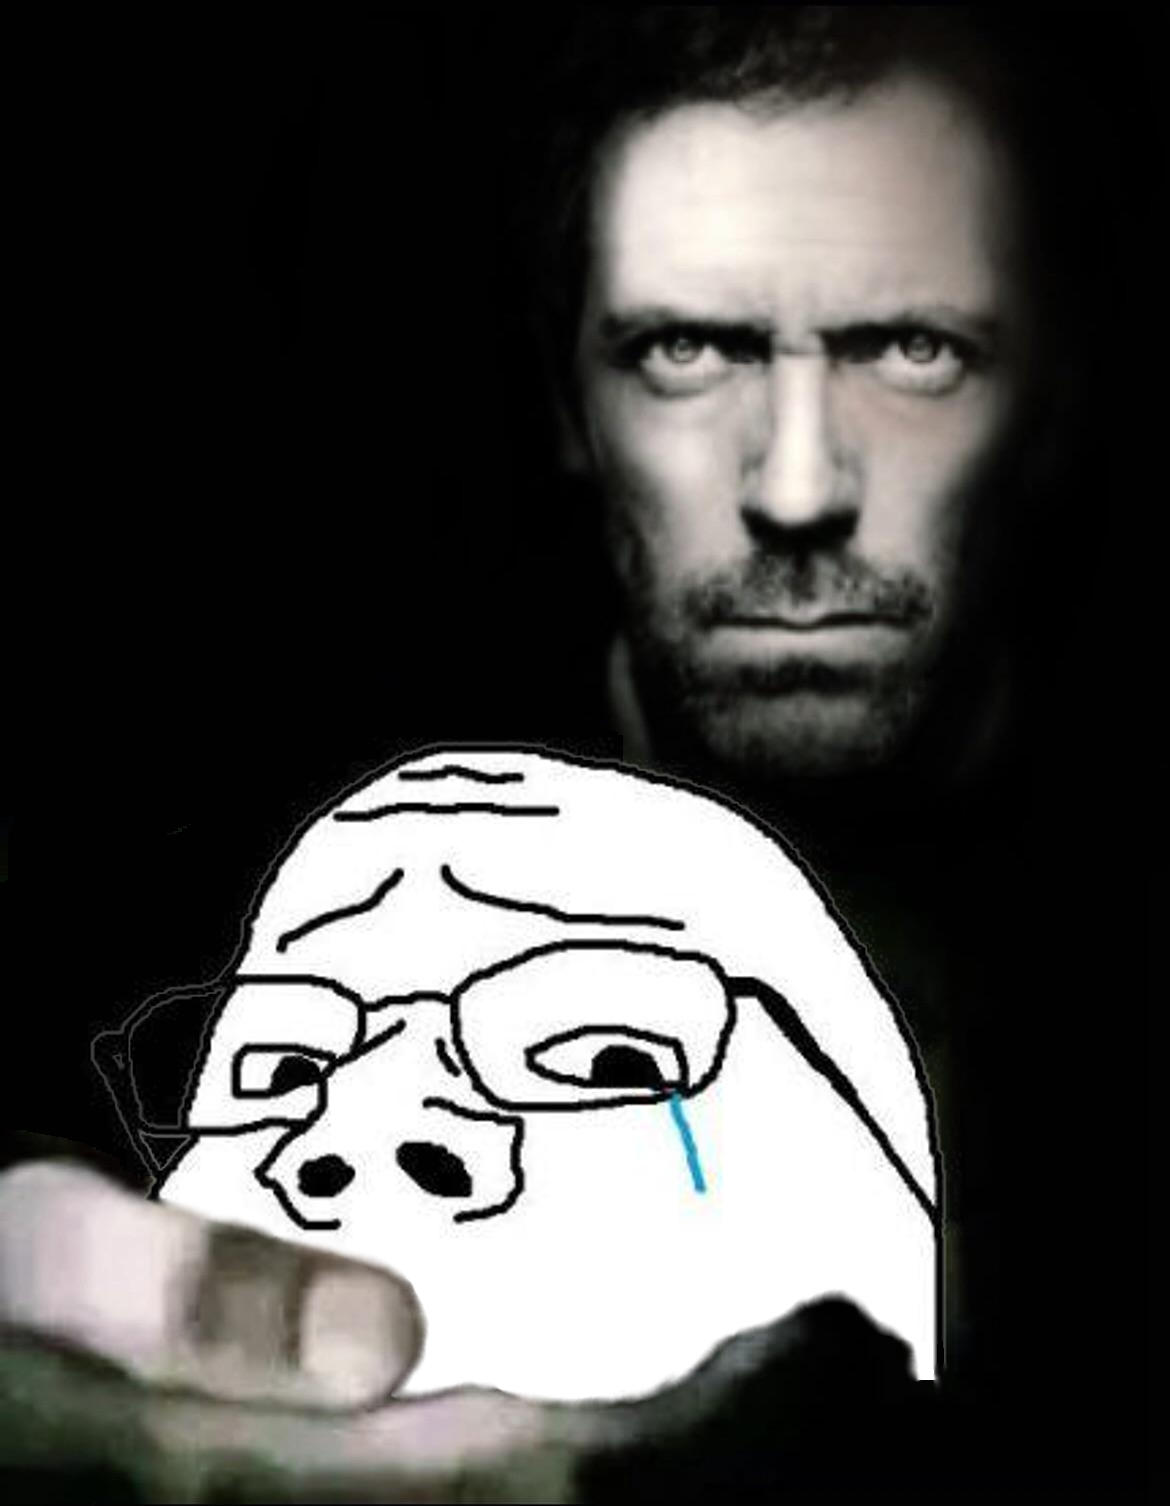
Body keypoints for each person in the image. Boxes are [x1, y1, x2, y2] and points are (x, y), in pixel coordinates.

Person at [5, 7, 1149, 1500]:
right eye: (685, 352)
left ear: (1053, 402)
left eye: (913, 352)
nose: (797, 487)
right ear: (569, 408)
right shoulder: (246, 863)